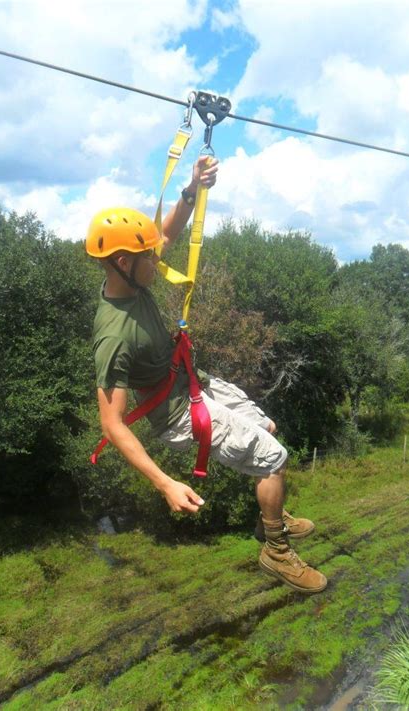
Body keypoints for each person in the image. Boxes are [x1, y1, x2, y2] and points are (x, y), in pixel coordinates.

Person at [86, 155, 327, 594]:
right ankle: (276, 551)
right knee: (275, 458)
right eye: (146, 257)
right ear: (122, 260)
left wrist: (191, 187)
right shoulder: (114, 335)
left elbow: (167, 232)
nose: (156, 259)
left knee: (268, 427)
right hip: (176, 412)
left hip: (191, 382)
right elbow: (111, 423)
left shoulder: (130, 276)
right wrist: (164, 484)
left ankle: (270, 515)